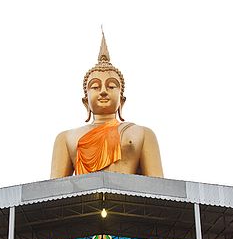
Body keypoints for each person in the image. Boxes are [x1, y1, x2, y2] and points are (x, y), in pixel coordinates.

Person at [50, 33, 164, 178]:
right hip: (84, 200)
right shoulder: (66, 138)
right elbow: (55, 191)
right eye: (95, 87)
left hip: (127, 200)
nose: (103, 91)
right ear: (86, 101)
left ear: (122, 101)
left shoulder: (143, 134)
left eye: (111, 86)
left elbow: (158, 186)